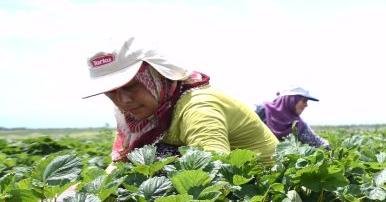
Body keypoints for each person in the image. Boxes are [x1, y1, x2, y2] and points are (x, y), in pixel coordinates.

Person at [83, 37, 279, 163]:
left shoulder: (199, 107)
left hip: (262, 187)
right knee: (141, 159)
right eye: (111, 91)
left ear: (157, 76)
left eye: (131, 86)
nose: (123, 100)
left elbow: (216, 170)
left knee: (157, 158)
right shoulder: (148, 113)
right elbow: (120, 167)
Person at [256, 87, 331, 149]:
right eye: (304, 101)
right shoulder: (261, 111)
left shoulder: (299, 125)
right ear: (291, 100)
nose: (306, 105)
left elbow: (319, 143)